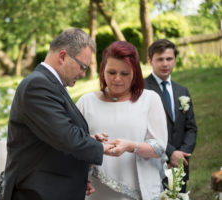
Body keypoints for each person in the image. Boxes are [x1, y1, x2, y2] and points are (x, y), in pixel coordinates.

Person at [2, 28, 112, 200]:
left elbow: (52, 136)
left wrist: (78, 178)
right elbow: (66, 137)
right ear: (62, 56)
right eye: (82, 66)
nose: (83, 74)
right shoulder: (37, 85)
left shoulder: (51, 84)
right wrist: (102, 148)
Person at [76, 41, 168, 200]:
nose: (117, 79)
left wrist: (131, 146)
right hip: (97, 191)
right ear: (102, 70)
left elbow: (159, 148)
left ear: (135, 73)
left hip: (140, 191)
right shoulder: (86, 102)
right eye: (111, 72)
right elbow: (73, 145)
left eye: (125, 74)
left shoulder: (150, 100)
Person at [145, 39, 197, 193]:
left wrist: (181, 156)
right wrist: (170, 153)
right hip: (154, 164)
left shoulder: (182, 91)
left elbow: (191, 128)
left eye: (169, 59)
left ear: (174, 60)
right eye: (160, 59)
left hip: (180, 165)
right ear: (150, 61)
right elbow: (144, 128)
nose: (165, 64)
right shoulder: (142, 90)